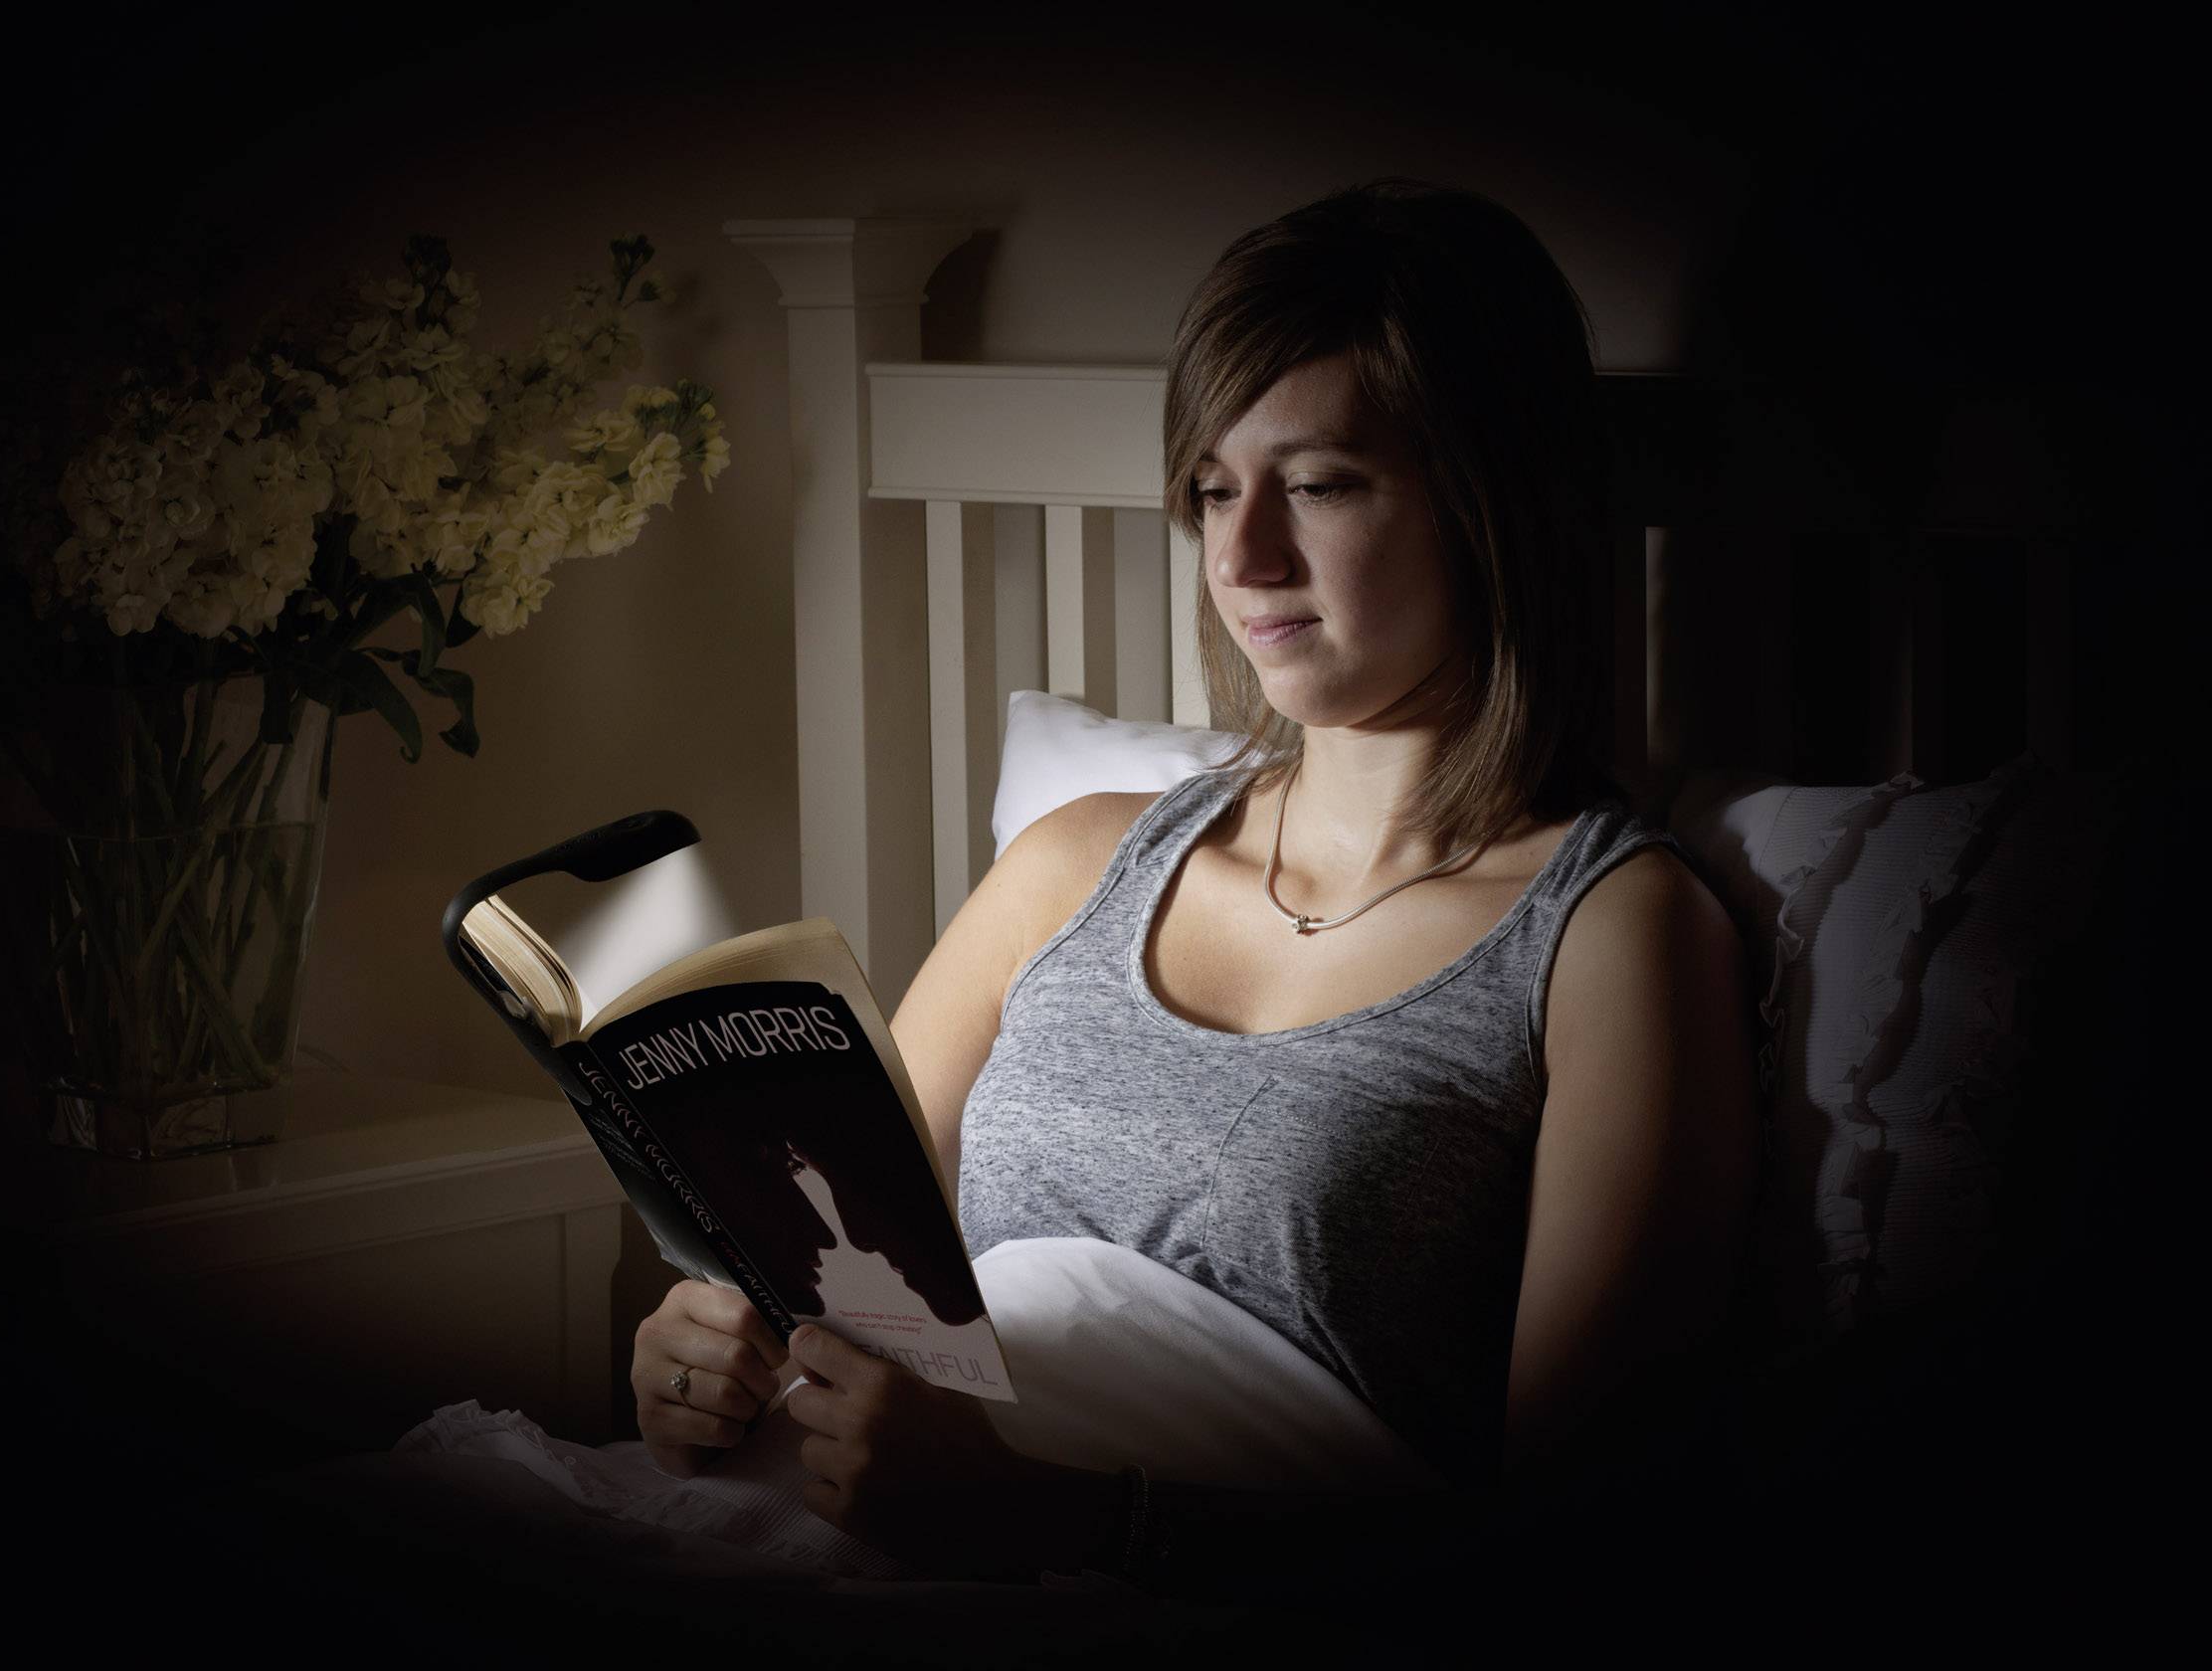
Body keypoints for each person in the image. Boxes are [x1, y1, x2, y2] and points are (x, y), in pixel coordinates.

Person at [629, 179, 1759, 1608]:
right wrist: (704, 1364)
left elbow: (1574, 1541)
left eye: (1324, 483)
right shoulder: (1072, 861)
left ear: (1493, 497)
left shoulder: (1612, 937)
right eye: (1216, 489)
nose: (1242, 560)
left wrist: (1069, 1525)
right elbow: (820, 1273)